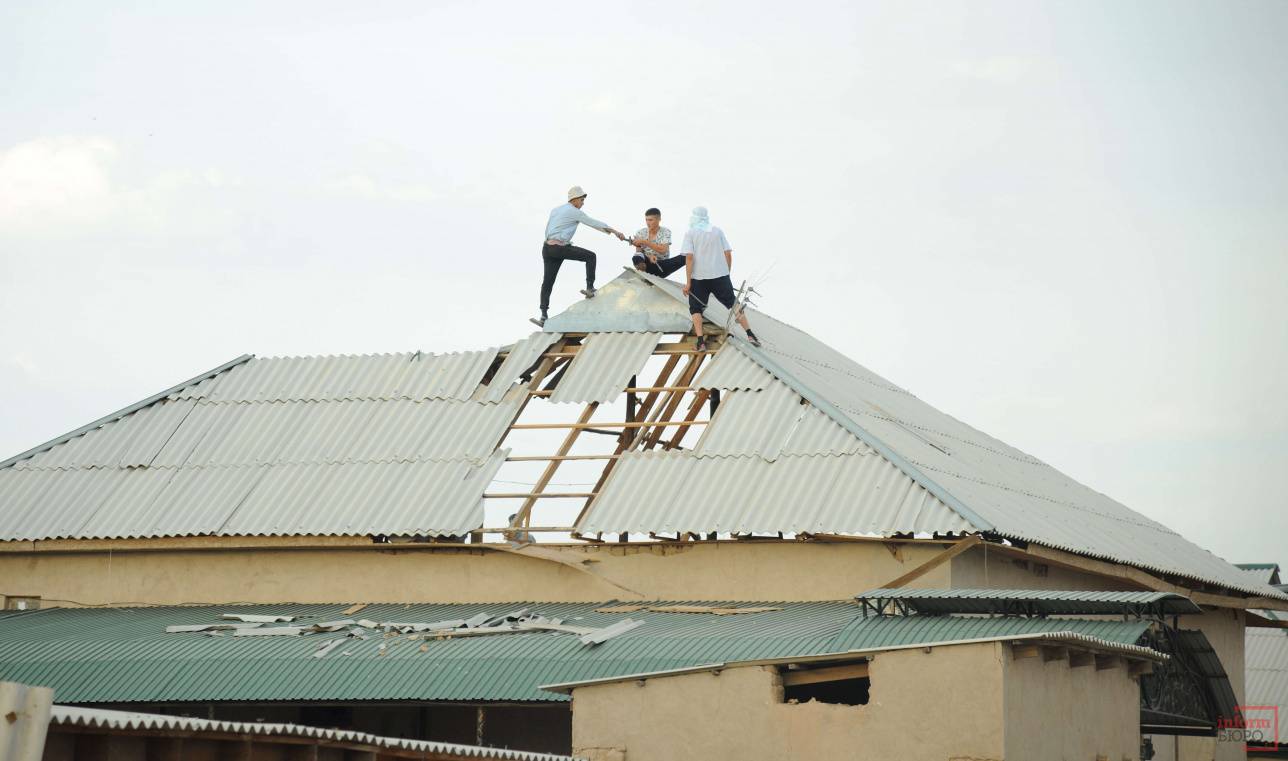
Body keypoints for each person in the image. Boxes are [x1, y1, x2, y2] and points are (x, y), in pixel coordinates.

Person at [536, 186, 625, 326]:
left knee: (547, 282)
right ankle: (590, 287)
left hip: (547, 248)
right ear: (575, 199)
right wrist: (615, 231)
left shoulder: (556, 210)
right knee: (591, 256)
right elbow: (593, 223)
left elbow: (550, 227)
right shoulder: (574, 211)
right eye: (582, 200)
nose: (583, 203)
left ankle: (543, 314)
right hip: (559, 248)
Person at [680, 206, 762, 351]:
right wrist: (726, 273)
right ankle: (750, 334)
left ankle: (701, 342)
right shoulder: (717, 231)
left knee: (695, 308)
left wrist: (688, 283)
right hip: (720, 275)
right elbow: (728, 253)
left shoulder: (690, 233)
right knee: (733, 303)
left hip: (699, 277)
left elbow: (689, 257)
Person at [631, 208, 685, 279]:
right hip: (647, 265)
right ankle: (643, 275)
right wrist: (650, 257)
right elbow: (639, 251)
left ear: (659, 219)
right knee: (637, 256)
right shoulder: (640, 232)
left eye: (650, 220)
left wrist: (644, 241)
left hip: (661, 266)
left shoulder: (665, 232)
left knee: (685, 257)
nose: (647, 222)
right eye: (646, 220)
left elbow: (663, 250)